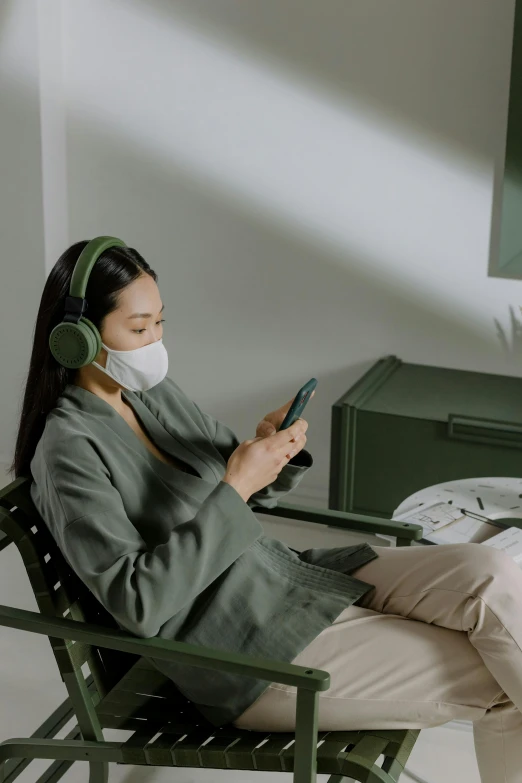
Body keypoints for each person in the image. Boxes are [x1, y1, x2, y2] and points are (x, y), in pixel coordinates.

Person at [9, 240, 522, 782]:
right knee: (501, 677)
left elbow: (246, 485)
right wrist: (235, 486)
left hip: (290, 580)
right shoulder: (68, 449)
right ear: (76, 339)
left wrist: (270, 453)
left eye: (160, 322)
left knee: (489, 573)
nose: (155, 342)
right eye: (138, 330)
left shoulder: (151, 395)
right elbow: (136, 601)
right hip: (247, 652)